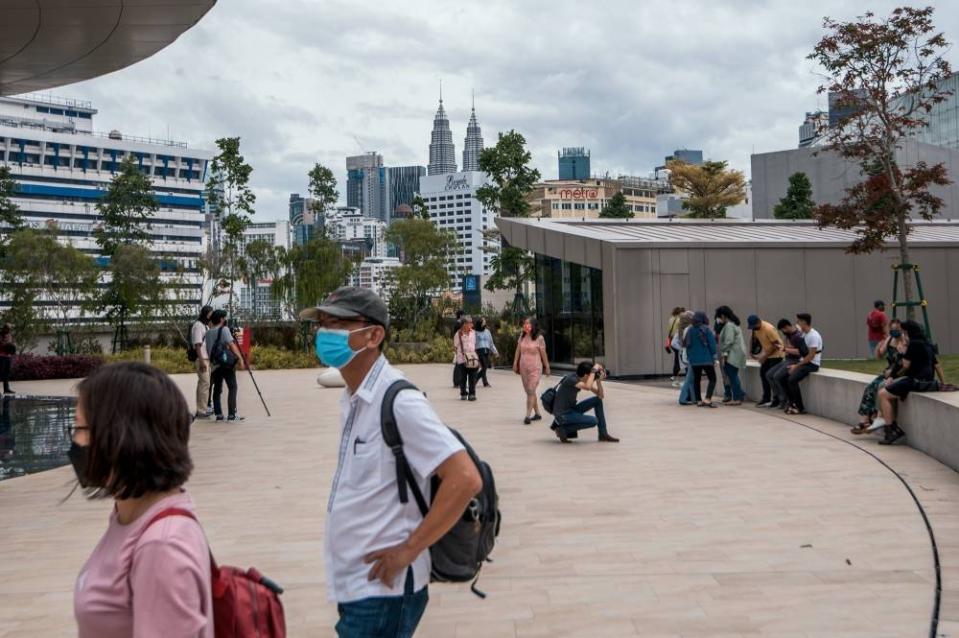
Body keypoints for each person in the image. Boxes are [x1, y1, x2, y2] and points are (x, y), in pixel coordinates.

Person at [299, 286, 481, 638]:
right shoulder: (355, 397)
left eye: (336, 323)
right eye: (321, 324)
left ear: (374, 335)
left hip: (384, 591)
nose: (324, 333)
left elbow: (465, 477)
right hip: (358, 586)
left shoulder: (399, 400)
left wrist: (408, 550)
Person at [70, 362, 213, 637]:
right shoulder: (131, 516)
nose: (75, 441)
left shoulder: (161, 547)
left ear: (121, 436)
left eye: (80, 428)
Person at [869, 320, 944, 445]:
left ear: (909, 332)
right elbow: (937, 365)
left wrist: (901, 355)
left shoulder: (913, 344)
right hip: (927, 380)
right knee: (887, 388)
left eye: (904, 331)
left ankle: (890, 430)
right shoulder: (927, 344)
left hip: (916, 381)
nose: (903, 334)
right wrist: (942, 383)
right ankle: (889, 425)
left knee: (883, 394)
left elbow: (905, 365)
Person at [851, 319, 906, 434]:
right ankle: (865, 420)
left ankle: (874, 418)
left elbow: (904, 364)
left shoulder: (905, 341)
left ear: (902, 330)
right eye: (892, 329)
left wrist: (892, 372)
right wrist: (878, 348)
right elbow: (879, 355)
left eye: (897, 330)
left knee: (879, 386)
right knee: (870, 387)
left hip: (898, 373)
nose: (894, 332)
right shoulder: (890, 339)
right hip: (888, 372)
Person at [550, 361, 619, 443]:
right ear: (586, 375)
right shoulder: (571, 379)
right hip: (562, 414)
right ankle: (562, 429)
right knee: (593, 421)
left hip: (571, 410)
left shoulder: (581, 378)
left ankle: (603, 434)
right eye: (591, 375)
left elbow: (600, 396)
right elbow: (588, 387)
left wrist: (598, 381)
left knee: (597, 400)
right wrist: (594, 371)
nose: (592, 377)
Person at [204, 310, 246, 422]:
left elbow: (209, 349)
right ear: (222, 319)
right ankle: (232, 414)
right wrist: (240, 359)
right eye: (224, 317)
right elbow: (232, 345)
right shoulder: (224, 329)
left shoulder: (208, 333)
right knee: (232, 387)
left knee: (217, 389)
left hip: (215, 364)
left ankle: (219, 414)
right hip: (226, 364)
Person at [513, 317, 550, 425]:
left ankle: (527, 416)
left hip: (535, 368)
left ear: (533, 325)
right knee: (530, 392)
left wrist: (547, 367)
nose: (525, 325)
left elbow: (543, 354)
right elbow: (518, 350)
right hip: (524, 368)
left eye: (528, 323)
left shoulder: (539, 338)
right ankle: (537, 413)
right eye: (524, 323)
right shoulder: (522, 336)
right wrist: (515, 363)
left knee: (530, 389)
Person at [785, 313, 822, 415]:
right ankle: (791, 403)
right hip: (805, 361)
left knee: (792, 380)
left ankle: (800, 407)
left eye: (798, 321)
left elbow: (811, 356)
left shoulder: (813, 336)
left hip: (812, 364)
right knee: (784, 375)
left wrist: (796, 366)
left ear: (804, 322)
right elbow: (801, 351)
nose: (797, 323)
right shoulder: (804, 334)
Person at [766, 319, 806, 410]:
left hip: (795, 360)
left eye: (783, 330)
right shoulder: (788, 336)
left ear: (787, 327)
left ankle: (785, 400)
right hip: (787, 359)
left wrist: (785, 349)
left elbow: (800, 352)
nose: (783, 332)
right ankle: (777, 398)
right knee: (768, 374)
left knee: (777, 376)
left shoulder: (797, 336)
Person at [748, 314, 784, 407]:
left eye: (754, 326)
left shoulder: (769, 329)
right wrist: (751, 351)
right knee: (763, 374)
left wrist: (764, 357)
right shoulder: (756, 329)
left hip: (777, 355)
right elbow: (753, 339)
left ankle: (777, 399)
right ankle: (766, 397)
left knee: (772, 376)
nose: (754, 328)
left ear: (759, 322)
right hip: (768, 354)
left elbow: (775, 346)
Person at [685, 311, 719, 408]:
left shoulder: (690, 330)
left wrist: (690, 357)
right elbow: (712, 344)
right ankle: (708, 399)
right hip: (706, 359)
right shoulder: (706, 329)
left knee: (697, 379)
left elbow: (687, 345)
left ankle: (698, 400)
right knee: (712, 378)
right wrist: (714, 356)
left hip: (694, 360)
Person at [715, 306, 747, 406]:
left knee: (732, 376)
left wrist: (724, 354)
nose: (719, 319)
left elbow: (728, 342)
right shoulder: (734, 324)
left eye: (719, 317)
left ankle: (737, 398)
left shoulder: (729, 326)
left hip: (732, 354)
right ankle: (740, 394)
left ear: (723, 316)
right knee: (733, 375)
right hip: (736, 353)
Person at [191, 306, 213, 419]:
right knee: (204, 383)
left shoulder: (205, 326)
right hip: (202, 359)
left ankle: (203, 408)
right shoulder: (198, 325)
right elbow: (197, 344)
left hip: (206, 358)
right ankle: (201, 410)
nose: (211, 316)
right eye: (210, 313)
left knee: (204, 384)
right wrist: (201, 361)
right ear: (205, 313)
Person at [453, 317, 479, 401]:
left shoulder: (473, 333)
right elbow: (455, 347)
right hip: (462, 359)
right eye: (470, 323)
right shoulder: (458, 334)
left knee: (472, 377)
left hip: (472, 358)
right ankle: (463, 393)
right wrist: (460, 355)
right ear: (464, 324)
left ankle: (472, 394)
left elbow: (475, 344)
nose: (472, 324)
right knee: (463, 378)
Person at [675, 311, 696, 404]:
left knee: (690, 378)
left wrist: (681, 349)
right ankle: (684, 398)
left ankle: (692, 397)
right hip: (689, 356)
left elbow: (675, 343)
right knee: (690, 378)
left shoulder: (680, 330)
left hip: (685, 356)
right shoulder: (689, 329)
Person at [473, 317, 498, 388]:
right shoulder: (475, 332)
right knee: (484, 366)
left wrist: (495, 351)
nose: (485, 323)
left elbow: (491, 342)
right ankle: (476, 379)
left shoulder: (487, 331)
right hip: (479, 351)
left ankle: (485, 382)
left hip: (487, 351)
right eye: (483, 322)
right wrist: (474, 352)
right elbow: (474, 343)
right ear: (480, 323)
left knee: (485, 367)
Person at [666, 307, 685, 384]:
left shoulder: (671, 319)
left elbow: (668, 330)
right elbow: (681, 330)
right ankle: (676, 374)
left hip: (672, 340)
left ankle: (674, 375)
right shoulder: (679, 320)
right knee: (681, 357)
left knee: (677, 357)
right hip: (677, 340)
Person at [0, 323, 15, 395]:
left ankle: (6, 389)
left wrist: (11, 348)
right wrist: (6, 345)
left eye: (10, 329)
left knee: (7, 373)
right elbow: (2, 344)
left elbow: (11, 344)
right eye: (8, 328)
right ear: (4, 328)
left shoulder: (9, 335)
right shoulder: (0, 335)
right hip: (1, 356)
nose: (9, 330)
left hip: (8, 356)